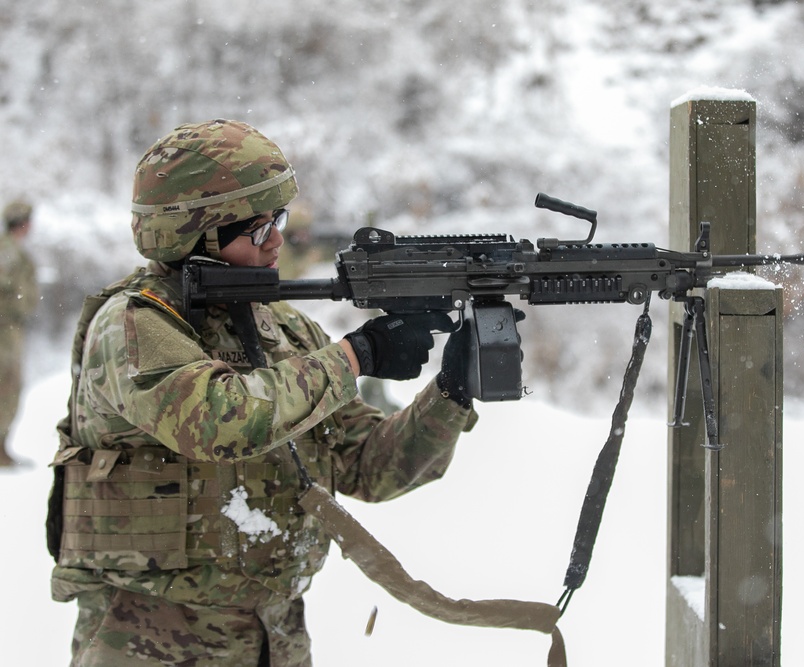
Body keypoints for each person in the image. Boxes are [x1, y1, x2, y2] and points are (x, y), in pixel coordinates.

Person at [46, 119, 477, 665]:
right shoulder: (133, 324)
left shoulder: (284, 330)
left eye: (279, 219)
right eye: (257, 228)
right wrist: (357, 355)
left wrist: (452, 392)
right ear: (192, 234)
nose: (277, 240)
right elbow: (218, 418)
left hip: (276, 639)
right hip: (149, 640)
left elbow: (369, 466)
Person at [0, 198, 38, 468]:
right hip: (5, 330)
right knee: (8, 386)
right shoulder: (9, 252)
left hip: (10, 328)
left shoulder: (11, 251)